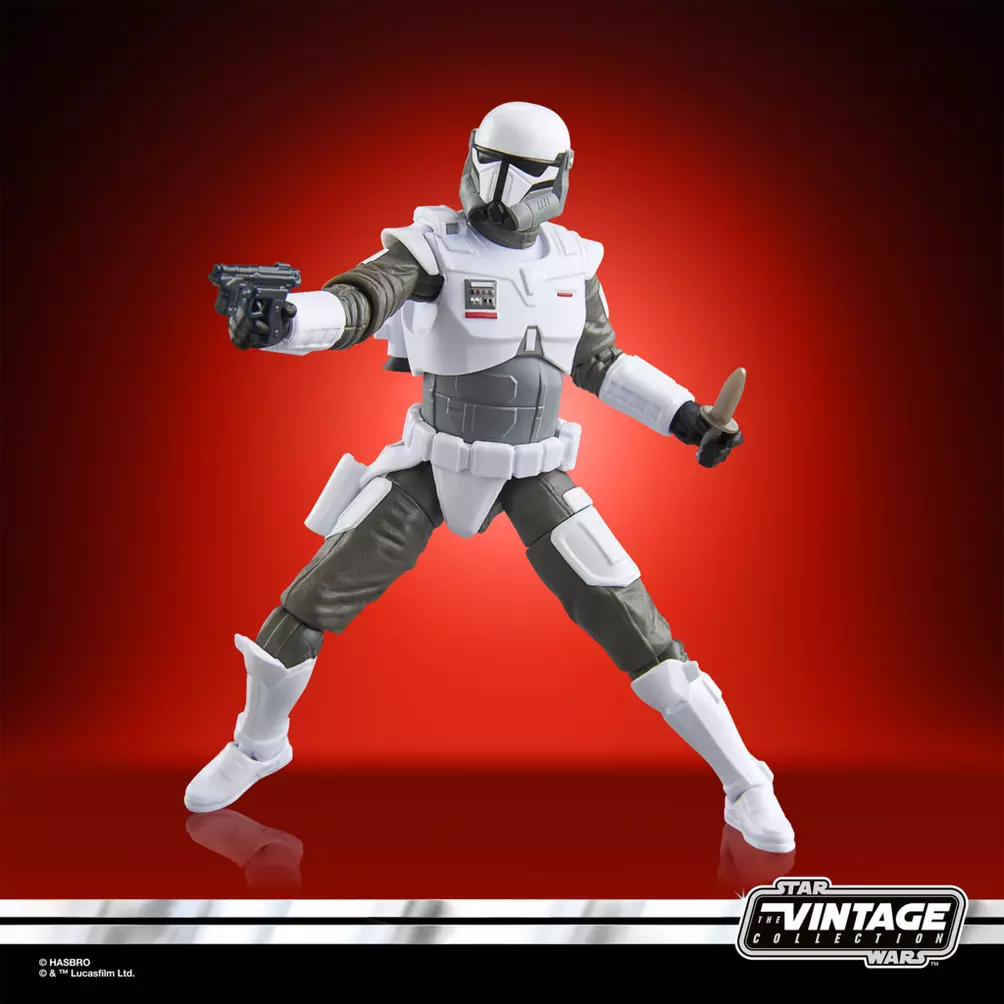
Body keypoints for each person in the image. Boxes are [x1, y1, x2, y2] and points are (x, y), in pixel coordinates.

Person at [185, 101, 795, 855]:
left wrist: (687, 418)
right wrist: (285, 321)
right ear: (473, 156)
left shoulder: (573, 263)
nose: (503, 184)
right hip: (432, 461)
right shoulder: (431, 247)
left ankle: (746, 782)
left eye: (524, 170)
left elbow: (600, 362)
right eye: (492, 162)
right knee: (308, 602)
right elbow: (359, 301)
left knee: (636, 622)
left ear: (559, 176)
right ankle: (256, 746)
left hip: (535, 471)